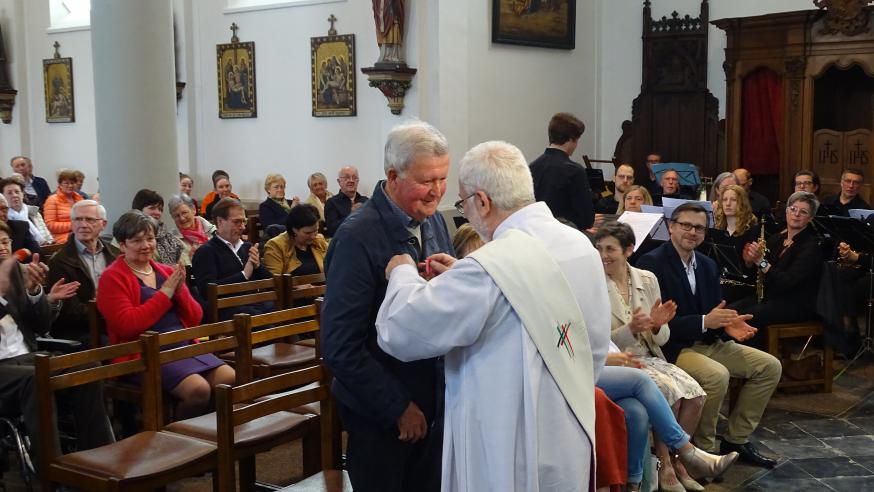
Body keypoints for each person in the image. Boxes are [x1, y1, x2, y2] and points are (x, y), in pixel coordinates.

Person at [374, 139, 610, 491]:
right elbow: (590, 342)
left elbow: (403, 329)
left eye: (463, 203)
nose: (465, 213)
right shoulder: (579, 245)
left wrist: (402, 272)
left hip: (507, 440)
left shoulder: (490, 267)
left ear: (482, 201)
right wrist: (463, 274)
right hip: (565, 426)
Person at [321, 120, 454, 492]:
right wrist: (397, 406)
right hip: (384, 413)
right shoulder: (356, 237)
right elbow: (339, 346)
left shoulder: (434, 222)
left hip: (433, 400)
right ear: (393, 175)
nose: (437, 192)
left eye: (443, 179)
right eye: (427, 180)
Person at [636, 203, 782, 468]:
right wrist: (706, 321)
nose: (692, 232)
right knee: (717, 375)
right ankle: (700, 451)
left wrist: (727, 323)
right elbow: (658, 325)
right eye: (686, 225)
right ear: (671, 227)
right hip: (674, 347)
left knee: (769, 366)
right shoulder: (651, 263)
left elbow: (715, 311)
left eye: (699, 227)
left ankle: (736, 440)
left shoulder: (707, 264)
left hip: (710, 342)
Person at [595, 222, 715, 491]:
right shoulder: (592, 283)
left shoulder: (647, 279)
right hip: (619, 358)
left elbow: (663, 337)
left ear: (628, 250)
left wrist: (658, 325)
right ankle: (665, 464)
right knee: (667, 391)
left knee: (696, 394)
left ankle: (677, 461)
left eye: (610, 249)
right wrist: (630, 329)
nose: (604, 255)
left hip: (651, 355)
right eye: (599, 248)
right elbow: (597, 344)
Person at [97, 211, 234, 419]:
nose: (146, 245)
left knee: (228, 377)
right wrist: (165, 294)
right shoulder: (112, 277)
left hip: (180, 344)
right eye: (137, 241)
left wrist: (180, 292)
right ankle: (181, 440)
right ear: (122, 245)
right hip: (143, 352)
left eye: (150, 239)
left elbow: (195, 317)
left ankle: (210, 436)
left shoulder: (165, 271)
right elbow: (127, 325)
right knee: (198, 390)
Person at [0, 220, 111, 463]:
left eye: (5, 241)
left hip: (27, 355)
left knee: (87, 366)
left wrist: (36, 294)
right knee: (36, 378)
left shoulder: (16, 273)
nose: (2, 247)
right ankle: (54, 469)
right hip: (4, 368)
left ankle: (100, 456)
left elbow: (40, 326)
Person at [734, 192, 824, 344]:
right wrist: (749, 262)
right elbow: (758, 277)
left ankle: (753, 359)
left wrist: (761, 262)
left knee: (747, 316)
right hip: (771, 297)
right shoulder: (776, 239)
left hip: (796, 303)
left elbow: (787, 282)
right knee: (731, 311)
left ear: (810, 218)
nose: (796, 214)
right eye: (793, 209)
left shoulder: (811, 247)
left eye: (803, 212)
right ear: (787, 212)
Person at [47, 200, 118, 346]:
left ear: (103, 224)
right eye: (78, 219)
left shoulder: (115, 254)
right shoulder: (60, 261)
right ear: (72, 224)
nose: (83, 225)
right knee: (114, 345)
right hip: (80, 332)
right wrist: (111, 309)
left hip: (114, 322)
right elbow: (69, 310)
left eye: (90, 219)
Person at [191, 198, 272, 320]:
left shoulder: (247, 247)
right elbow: (207, 291)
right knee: (264, 321)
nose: (242, 227)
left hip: (256, 304)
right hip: (228, 310)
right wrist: (243, 275)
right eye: (237, 222)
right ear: (220, 221)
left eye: (243, 221)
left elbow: (271, 283)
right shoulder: (206, 252)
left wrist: (258, 266)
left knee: (287, 313)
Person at [529, 112, 595, 230]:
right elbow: (586, 219)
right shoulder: (574, 171)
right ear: (571, 139)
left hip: (535, 233)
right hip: (563, 236)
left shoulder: (531, 167)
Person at [263, 203, 328, 276]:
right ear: (294, 229)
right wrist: (296, 287)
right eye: (308, 233)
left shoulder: (319, 240)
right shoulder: (275, 246)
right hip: (292, 287)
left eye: (316, 230)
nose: (313, 236)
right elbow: (275, 281)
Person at [132, 189, 184, 265]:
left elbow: (182, 264)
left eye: (160, 209)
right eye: (152, 208)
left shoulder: (169, 238)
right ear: (139, 210)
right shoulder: (127, 237)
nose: (157, 213)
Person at [1, 177, 53, 246]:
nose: (14, 195)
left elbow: (47, 236)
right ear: (3, 196)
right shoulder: (4, 218)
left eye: (17, 192)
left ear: (23, 193)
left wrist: (50, 243)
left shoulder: (33, 212)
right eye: (9, 193)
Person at [169, 194, 215, 265]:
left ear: (194, 210)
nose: (182, 218)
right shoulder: (170, 241)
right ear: (172, 217)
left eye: (184, 213)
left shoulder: (215, 232)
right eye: (177, 216)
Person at [324, 166, 369, 237]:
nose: (351, 180)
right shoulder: (331, 203)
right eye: (347, 177)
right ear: (339, 181)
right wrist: (351, 215)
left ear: (358, 181)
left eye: (354, 178)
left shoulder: (366, 201)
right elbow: (332, 230)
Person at [43, 169, 84, 244]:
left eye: (72, 183)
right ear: (60, 184)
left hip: (81, 234)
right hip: (62, 238)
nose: (70, 185)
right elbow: (50, 225)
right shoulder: (52, 200)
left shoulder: (80, 198)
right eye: (66, 183)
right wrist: (74, 225)